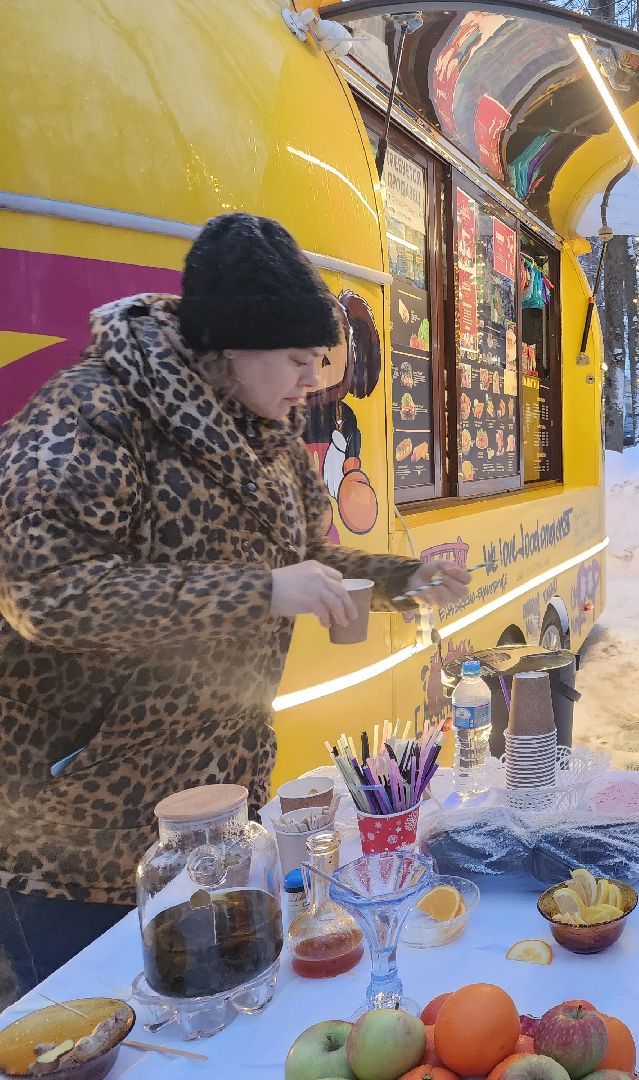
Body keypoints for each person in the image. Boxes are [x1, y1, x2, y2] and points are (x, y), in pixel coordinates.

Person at [0, 212, 470, 1006]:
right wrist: (262, 591)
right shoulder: (94, 412)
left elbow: (299, 562)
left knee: (210, 1023)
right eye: (296, 358)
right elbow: (46, 591)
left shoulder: (272, 437)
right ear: (230, 345)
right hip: (76, 835)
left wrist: (396, 579)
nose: (313, 379)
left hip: (213, 816)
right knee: (92, 1034)